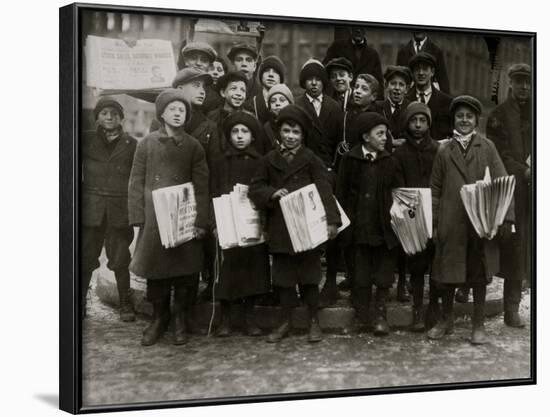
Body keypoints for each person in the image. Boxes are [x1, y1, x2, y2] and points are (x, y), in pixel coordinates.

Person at [249, 105, 341, 343]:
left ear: (303, 136)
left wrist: (332, 221)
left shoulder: (311, 160)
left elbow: (325, 190)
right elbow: (255, 189)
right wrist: (271, 193)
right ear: (279, 132)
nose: (290, 136)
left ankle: (313, 321)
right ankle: (285, 321)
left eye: (296, 132)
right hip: (281, 228)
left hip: (308, 228)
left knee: (310, 278)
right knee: (284, 280)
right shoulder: (268, 160)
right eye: (286, 131)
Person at [428, 95, 514, 344]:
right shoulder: (444, 150)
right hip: (451, 222)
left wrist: (506, 218)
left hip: (480, 224)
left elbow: (503, 182)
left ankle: (478, 324)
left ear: (477, 120)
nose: (464, 120)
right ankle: (446, 320)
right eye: (460, 116)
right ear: (453, 120)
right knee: (447, 275)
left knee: (478, 274)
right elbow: (434, 187)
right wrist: (434, 223)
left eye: (469, 116)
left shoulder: (486, 147)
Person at [128, 89, 210, 346]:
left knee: (185, 274)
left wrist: (200, 222)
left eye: (182, 110)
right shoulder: (147, 144)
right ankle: (159, 318)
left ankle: (180, 319)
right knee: (157, 273)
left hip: (184, 218)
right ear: (162, 113)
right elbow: (136, 181)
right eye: (172, 109)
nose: (177, 114)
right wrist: (138, 215)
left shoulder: (193, 146)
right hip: (155, 219)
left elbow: (202, 185)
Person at [336, 112, 399, 335]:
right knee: (360, 275)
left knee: (383, 275)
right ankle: (361, 316)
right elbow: (341, 194)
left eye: (386, 133)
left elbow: (398, 193)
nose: (385, 138)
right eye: (380, 133)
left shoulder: (390, 161)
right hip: (358, 230)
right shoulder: (350, 160)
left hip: (383, 229)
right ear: (365, 137)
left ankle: (381, 316)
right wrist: (343, 225)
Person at [210, 111, 271, 337]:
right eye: (235, 131)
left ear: (253, 136)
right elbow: (213, 192)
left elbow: (263, 190)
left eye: (244, 131)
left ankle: (249, 316)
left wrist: (264, 222)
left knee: (253, 270)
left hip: (252, 223)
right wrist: (214, 223)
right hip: (227, 224)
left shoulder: (260, 162)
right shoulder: (220, 162)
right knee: (229, 270)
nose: (239, 136)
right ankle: (225, 318)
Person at [81, 97, 137, 321]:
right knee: (85, 257)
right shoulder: (84, 139)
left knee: (121, 259)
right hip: (91, 208)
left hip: (119, 209)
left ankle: (125, 303)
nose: (109, 117)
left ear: (121, 118)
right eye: (104, 113)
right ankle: (80, 299)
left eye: (114, 113)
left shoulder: (131, 144)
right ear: (97, 117)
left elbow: (136, 178)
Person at [486, 63, 532, 328]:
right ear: (510, 83)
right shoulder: (499, 116)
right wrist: (523, 172)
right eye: (519, 81)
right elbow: (499, 156)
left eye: (528, 81)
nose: (524, 86)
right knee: (513, 248)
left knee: (530, 248)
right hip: (512, 192)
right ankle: (510, 308)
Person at [392, 102, 441, 331]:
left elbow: (442, 181)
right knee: (417, 265)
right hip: (412, 216)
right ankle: (418, 309)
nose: (418, 125)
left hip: (434, 214)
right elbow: (398, 183)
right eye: (414, 120)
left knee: (436, 263)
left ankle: (434, 307)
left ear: (429, 123)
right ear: (407, 124)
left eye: (423, 120)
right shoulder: (401, 153)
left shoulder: (438, 150)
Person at [376, 65, 413, 302]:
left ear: (407, 88)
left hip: (405, 174)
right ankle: (383, 281)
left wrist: (400, 142)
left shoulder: (411, 110)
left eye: (401, 84)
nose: (397, 88)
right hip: (381, 172)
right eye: (393, 84)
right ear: (386, 86)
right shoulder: (378, 108)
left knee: (403, 228)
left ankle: (403, 281)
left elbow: (417, 135)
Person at [295, 58, 344, 168]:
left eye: (318, 79)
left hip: (329, 166)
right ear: (303, 82)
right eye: (309, 79)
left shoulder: (335, 107)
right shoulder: (297, 106)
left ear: (323, 81)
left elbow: (339, 141)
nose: (313, 83)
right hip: (303, 166)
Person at [323, 26, 384, 99]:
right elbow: (325, 72)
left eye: (361, 27)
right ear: (350, 28)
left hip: (363, 100)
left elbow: (378, 84)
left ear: (366, 30)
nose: (358, 30)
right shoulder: (337, 47)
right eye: (355, 27)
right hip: (338, 98)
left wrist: (378, 105)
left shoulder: (373, 54)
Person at [406, 52, 453, 141]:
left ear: (432, 72)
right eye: (417, 69)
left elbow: (451, 135)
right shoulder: (405, 101)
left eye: (425, 69)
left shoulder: (447, 102)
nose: (421, 73)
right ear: (412, 73)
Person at [177, 41, 222, 114]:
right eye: (193, 58)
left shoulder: (213, 99)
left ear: (210, 67)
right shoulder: (176, 86)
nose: (198, 63)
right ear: (186, 61)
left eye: (204, 60)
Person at [244, 55, 286, 124]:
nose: (271, 75)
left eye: (275, 72)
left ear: (280, 78)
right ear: (261, 76)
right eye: (267, 71)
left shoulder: (288, 104)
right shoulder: (250, 105)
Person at [263, 83, 295, 149]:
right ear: (270, 108)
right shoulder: (266, 128)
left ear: (290, 103)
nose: (277, 103)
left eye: (282, 100)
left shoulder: (298, 125)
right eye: (273, 101)